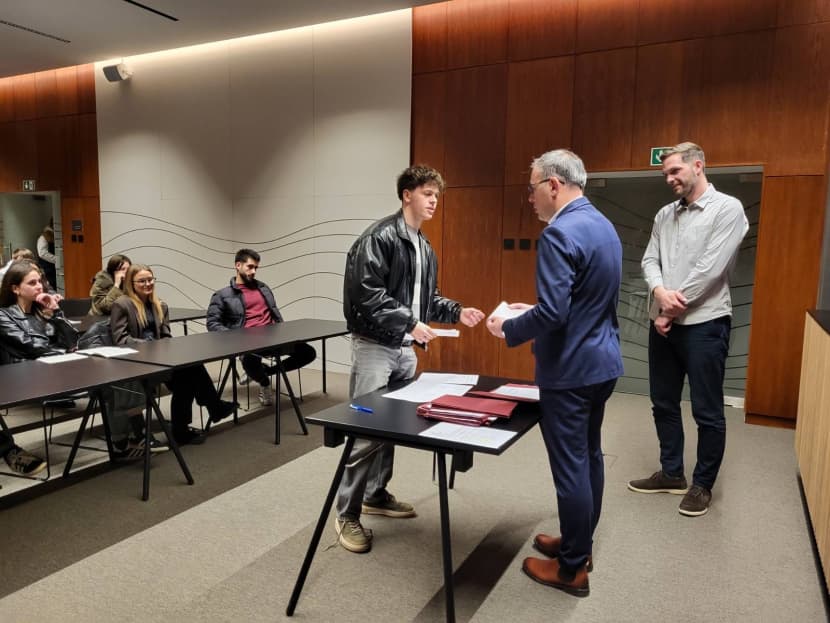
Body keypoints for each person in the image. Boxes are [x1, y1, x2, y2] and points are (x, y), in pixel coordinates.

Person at [487, 149, 623, 597]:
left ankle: (570, 570)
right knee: (590, 456)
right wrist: (536, 308)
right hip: (602, 365)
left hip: (570, 372)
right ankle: (579, 545)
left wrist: (508, 327)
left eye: (531, 189)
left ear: (553, 185)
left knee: (571, 468)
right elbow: (584, 300)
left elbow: (554, 314)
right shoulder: (603, 225)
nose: (529, 199)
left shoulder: (558, 234)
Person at [335, 164, 485, 554]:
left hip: (404, 349)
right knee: (366, 429)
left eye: (437, 195)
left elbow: (426, 299)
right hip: (375, 347)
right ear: (407, 195)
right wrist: (411, 323)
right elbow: (366, 295)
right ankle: (347, 513)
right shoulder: (379, 238)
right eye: (427, 194)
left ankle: (375, 493)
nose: (435, 201)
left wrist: (457, 311)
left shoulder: (424, 246)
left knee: (391, 427)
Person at [628, 142, 748, 517]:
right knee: (663, 402)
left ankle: (702, 485)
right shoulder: (665, 214)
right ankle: (671, 473)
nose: (669, 178)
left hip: (705, 324)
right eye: (665, 173)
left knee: (706, 411)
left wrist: (669, 309)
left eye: (675, 171)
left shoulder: (728, 209)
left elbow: (710, 270)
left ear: (698, 166)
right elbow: (650, 260)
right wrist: (659, 292)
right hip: (664, 325)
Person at [110, 264, 236, 446]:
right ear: (131, 283)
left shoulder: (160, 305)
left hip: (161, 359)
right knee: (189, 375)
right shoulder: (122, 304)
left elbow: (166, 336)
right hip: (137, 363)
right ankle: (210, 409)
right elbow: (121, 339)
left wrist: (166, 350)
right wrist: (151, 346)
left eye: (150, 279)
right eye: (142, 281)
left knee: (190, 368)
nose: (148, 284)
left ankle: (189, 425)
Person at [206, 249, 316, 406]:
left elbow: (274, 313)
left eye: (256, 268)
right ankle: (264, 383)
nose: (253, 271)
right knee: (250, 360)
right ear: (238, 265)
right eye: (250, 267)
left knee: (308, 352)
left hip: (273, 339)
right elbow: (212, 323)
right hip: (247, 343)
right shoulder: (222, 295)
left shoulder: (263, 288)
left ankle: (266, 372)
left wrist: (283, 331)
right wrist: (236, 338)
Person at [0, 261, 78, 476]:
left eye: (40, 282)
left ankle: (123, 438)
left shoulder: (43, 312)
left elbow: (71, 342)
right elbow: (30, 347)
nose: (40, 287)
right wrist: (62, 353)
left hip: (50, 371)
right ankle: (9, 450)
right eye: (32, 283)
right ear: (15, 288)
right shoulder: (3, 315)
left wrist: (56, 312)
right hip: (21, 377)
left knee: (111, 378)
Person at [36, 226, 57, 290]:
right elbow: (42, 254)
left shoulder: (47, 238)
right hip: (47, 267)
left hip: (51, 266)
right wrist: (57, 260)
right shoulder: (42, 239)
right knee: (51, 284)